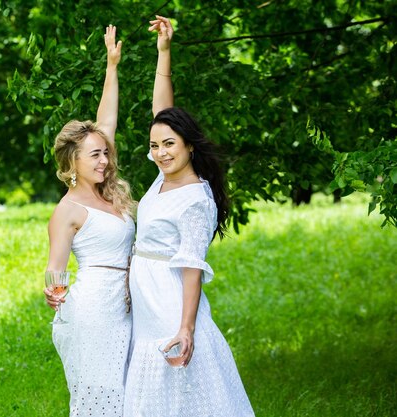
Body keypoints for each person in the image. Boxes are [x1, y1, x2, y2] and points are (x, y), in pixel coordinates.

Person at [122, 16, 255, 416]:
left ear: (189, 147)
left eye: (169, 145)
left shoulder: (196, 198)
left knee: (176, 380)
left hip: (169, 297)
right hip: (145, 296)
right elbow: (163, 112)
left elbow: (192, 266)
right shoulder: (162, 177)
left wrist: (186, 326)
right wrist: (164, 51)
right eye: (155, 145)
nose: (161, 152)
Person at [44, 24, 136, 417]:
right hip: (95, 310)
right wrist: (52, 291)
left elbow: (107, 121)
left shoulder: (109, 194)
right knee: (101, 398)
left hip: (130, 305)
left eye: (104, 153)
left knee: (133, 392)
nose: (104, 160)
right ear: (73, 164)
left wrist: (111, 65)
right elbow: (55, 270)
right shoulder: (68, 210)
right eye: (94, 155)